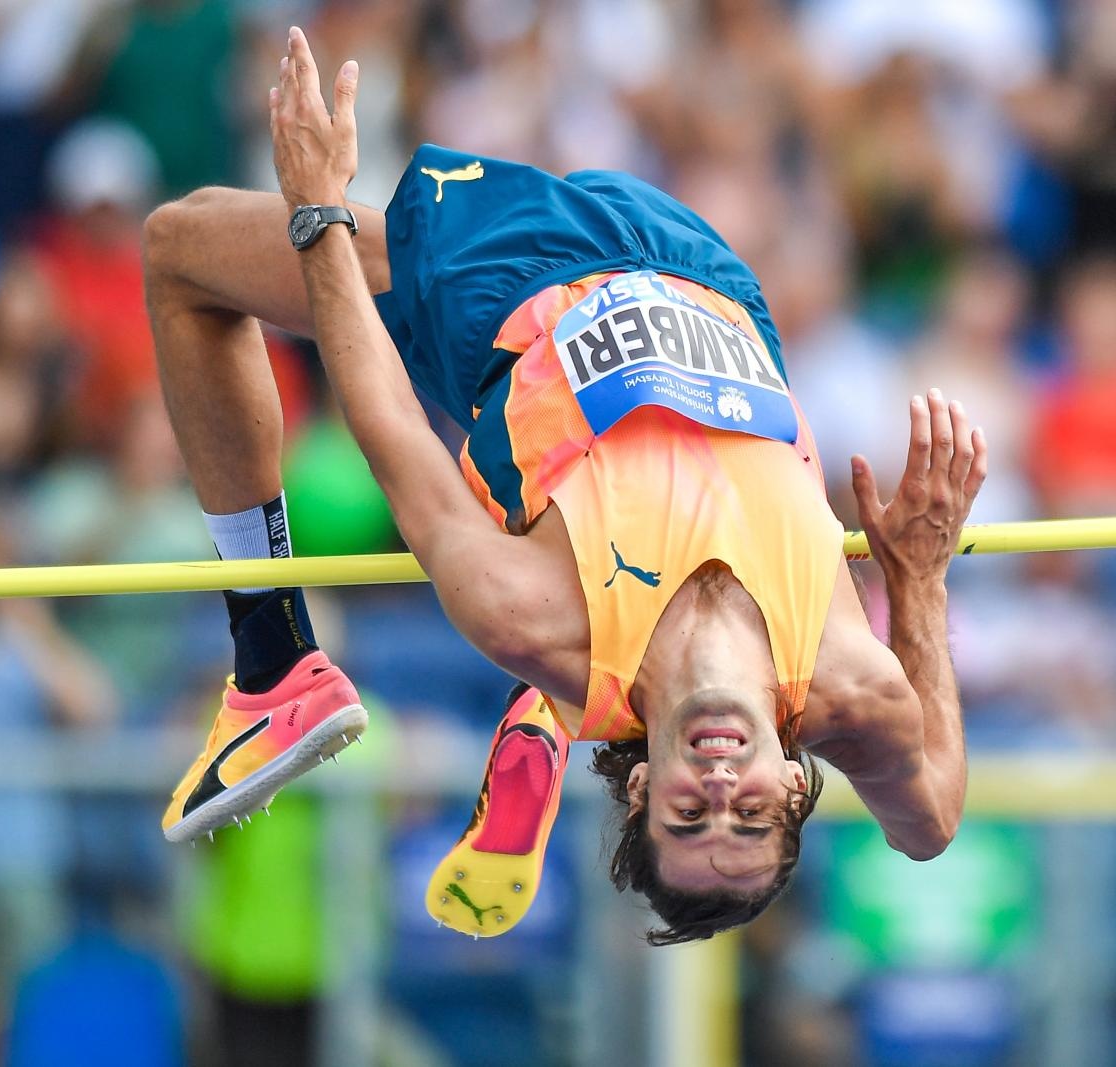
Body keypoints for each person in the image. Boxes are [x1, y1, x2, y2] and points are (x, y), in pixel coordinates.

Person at [149, 28, 987, 945]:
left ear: (638, 790)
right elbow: (932, 818)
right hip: (705, 277)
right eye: (750, 816)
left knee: (181, 249)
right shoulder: (848, 680)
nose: (719, 793)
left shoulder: (535, 615)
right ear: (794, 784)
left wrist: (319, 213)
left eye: (687, 817)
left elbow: (389, 426)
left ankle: (272, 657)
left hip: (512, 294)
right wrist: (919, 584)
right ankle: (544, 716)